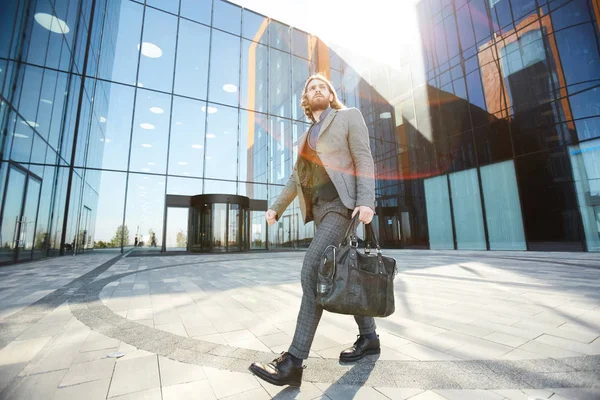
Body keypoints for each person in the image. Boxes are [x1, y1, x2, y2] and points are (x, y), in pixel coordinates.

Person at [249, 73, 380, 387]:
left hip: (342, 205)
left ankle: (294, 360)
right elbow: (297, 179)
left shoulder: (348, 117)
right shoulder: (307, 136)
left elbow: (363, 157)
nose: (317, 89)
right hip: (320, 212)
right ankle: (369, 337)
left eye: (323, 86)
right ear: (306, 100)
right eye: (311, 88)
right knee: (344, 272)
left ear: (331, 94)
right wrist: (276, 208)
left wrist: (366, 201)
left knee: (312, 270)